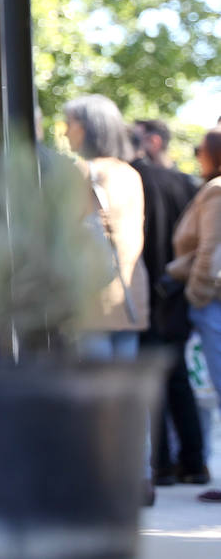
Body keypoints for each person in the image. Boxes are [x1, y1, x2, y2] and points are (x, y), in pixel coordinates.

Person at [131, 118, 208, 486]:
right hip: (174, 295)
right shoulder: (187, 184)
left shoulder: (134, 179)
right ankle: (193, 463)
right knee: (177, 380)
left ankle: (161, 465)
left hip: (150, 292)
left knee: (152, 378)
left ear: (155, 140)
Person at [64, 95, 149, 357]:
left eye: (70, 123)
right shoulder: (130, 173)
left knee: (95, 390)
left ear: (87, 127)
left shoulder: (81, 172)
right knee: (124, 389)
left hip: (91, 297)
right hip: (129, 295)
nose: (66, 132)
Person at [173, 128, 221, 503]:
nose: (196, 154)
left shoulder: (217, 190)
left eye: (201, 149)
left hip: (213, 302)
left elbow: (210, 249)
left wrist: (196, 295)